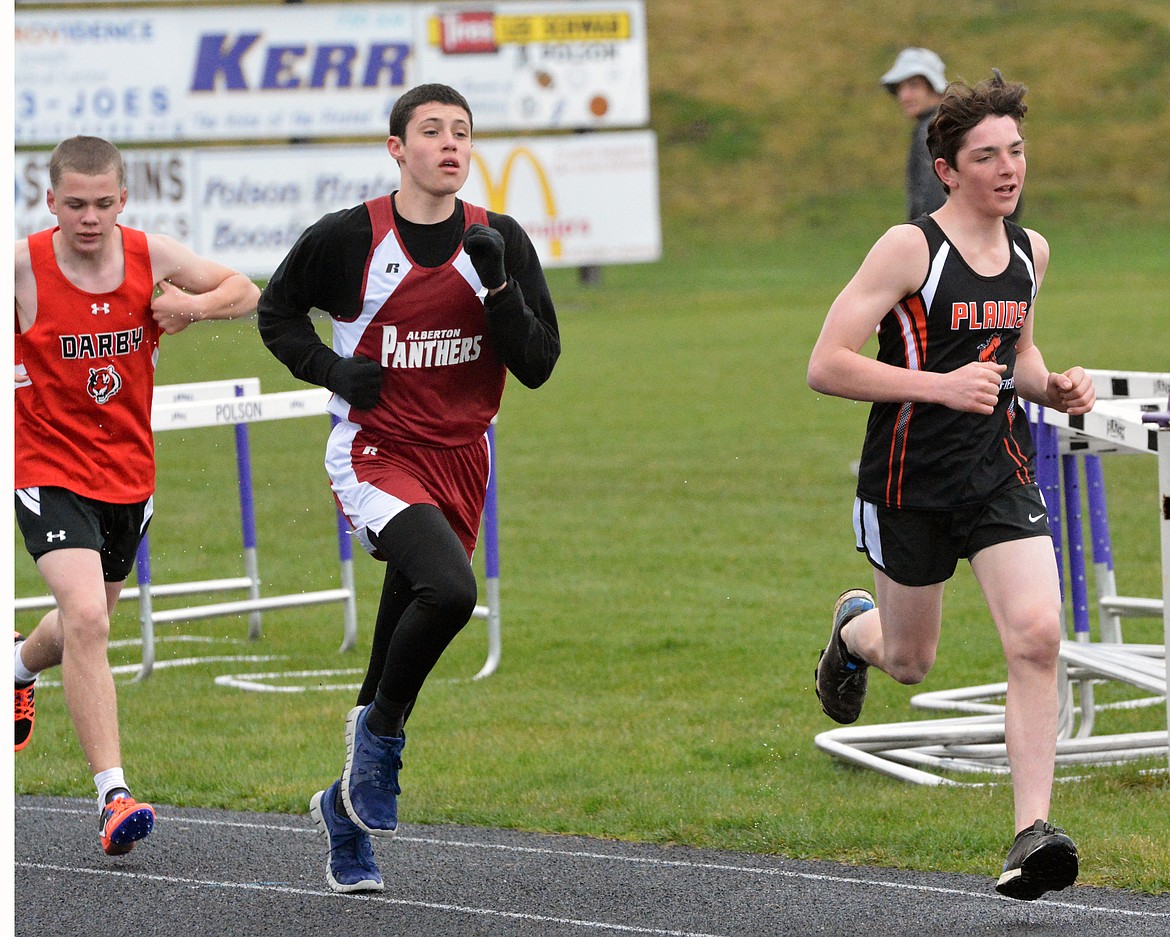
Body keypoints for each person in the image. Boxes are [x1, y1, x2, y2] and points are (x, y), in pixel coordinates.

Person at [257, 83, 560, 893]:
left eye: (463, 131)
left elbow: (537, 365)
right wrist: (329, 368)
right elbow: (276, 311)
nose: (450, 144)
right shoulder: (351, 237)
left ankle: (343, 816)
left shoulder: (499, 240)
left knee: (402, 630)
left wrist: (498, 291)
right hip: (376, 452)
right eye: (432, 131)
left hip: (463, 460)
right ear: (398, 148)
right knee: (451, 590)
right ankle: (383, 738)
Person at [807, 71, 1094, 900]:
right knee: (909, 660)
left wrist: (1053, 386)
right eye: (987, 156)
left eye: (1017, 151)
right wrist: (938, 386)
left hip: (996, 472)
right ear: (948, 169)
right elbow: (825, 365)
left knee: (1038, 633)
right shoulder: (910, 250)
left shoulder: (1030, 251)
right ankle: (852, 630)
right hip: (908, 479)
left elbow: (1019, 359)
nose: (1009, 169)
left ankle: (1029, 833)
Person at [14, 135, 260, 855]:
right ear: (50, 200)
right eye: (74, 205)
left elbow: (244, 289)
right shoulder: (24, 268)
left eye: (102, 204)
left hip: (127, 476)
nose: (89, 218)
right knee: (87, 615)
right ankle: (113, 796)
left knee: (84, 624)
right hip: (47, 469)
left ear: (122, 200)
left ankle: (17, 667)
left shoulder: (150, 255)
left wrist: (190, 304)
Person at [881, 47, 949, 221]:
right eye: (900, 88)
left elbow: (932, 199)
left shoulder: (933, 130)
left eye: (914, 85)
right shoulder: (946, 124)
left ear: (935, 87)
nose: (904, 96)